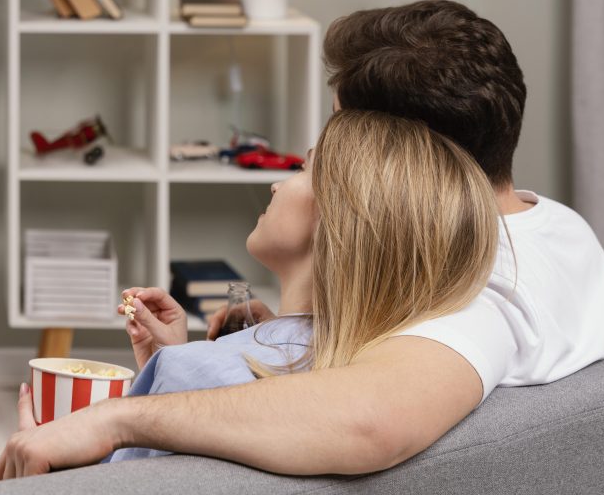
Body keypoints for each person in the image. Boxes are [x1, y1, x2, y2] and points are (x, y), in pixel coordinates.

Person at [0, 0, 604, 481]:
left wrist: (116, 417)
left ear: (393, 158)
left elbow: (370, 419)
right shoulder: (558, 227)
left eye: (340, 139)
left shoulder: (478, 295)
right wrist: (280, 339)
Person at [108, 109, 501, 462]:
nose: (276, 185)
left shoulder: (194, 376)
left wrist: (175, 373)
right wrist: (171, 366)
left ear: (337, 216)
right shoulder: (384, 376)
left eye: (301, 169)